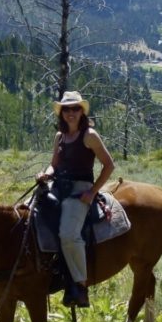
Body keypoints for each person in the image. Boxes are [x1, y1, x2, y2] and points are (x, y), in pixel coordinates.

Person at [36, 91, 115, 308]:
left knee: (69, 234)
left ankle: (80, 284)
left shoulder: (89, 135)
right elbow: (54, 163)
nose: (71, 113)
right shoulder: (59, 137)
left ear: (82, 111)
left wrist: (92, 192)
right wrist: (46, 173)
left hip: (80, 189)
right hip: (58, 185)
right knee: (31, 214)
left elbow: (109, 165)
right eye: (67, 109)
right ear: (61, 113)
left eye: (75, 108)